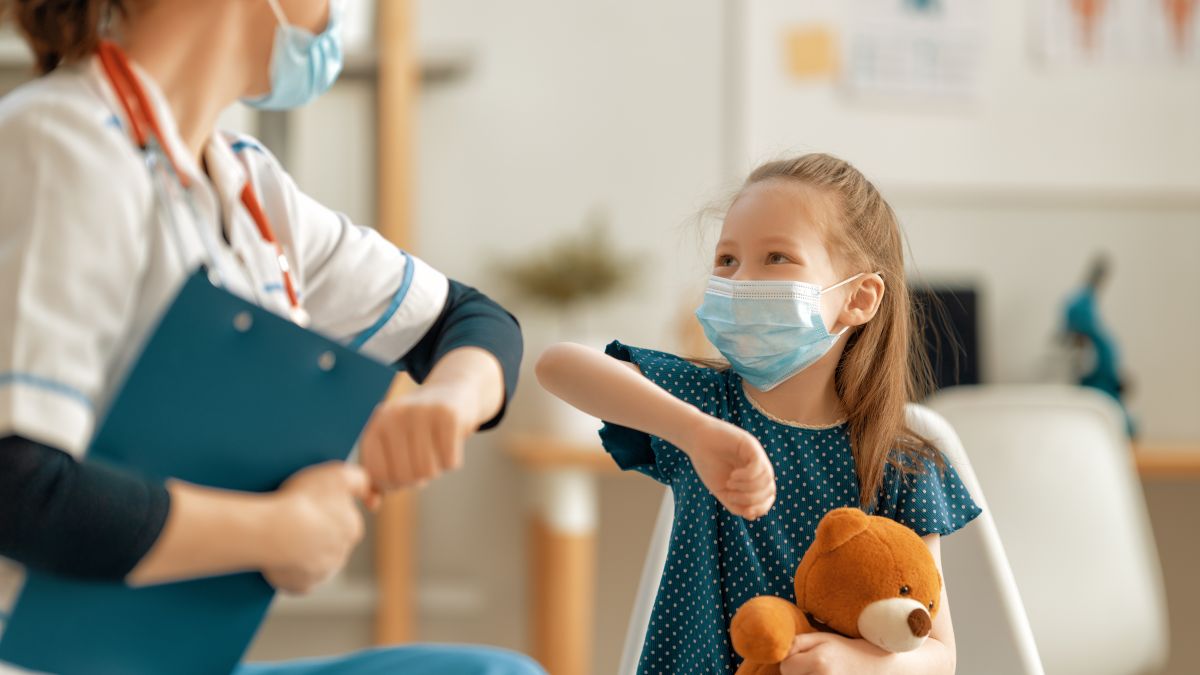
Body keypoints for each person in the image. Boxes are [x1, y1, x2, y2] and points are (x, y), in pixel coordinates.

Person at [0, 0, 541, 672]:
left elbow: (471, 318)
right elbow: (20, 490)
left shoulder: (244, 182)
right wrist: (286, 530)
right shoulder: (59, 141)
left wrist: (451, 399)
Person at [537, 154, 981, 674]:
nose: (741, 280)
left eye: (776, 258)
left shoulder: (901, 465)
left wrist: (853, 662)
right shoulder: (705, 407)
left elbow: (938, 656)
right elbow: (557, 366)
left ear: (859, 298)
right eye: (727, 261)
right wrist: (695, 434)